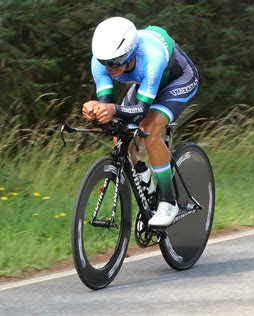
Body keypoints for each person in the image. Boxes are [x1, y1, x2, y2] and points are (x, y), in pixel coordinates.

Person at [82, 17, 199, 227]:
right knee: (119, 133)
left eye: (116, 61)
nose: (110, 67)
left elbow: (140, 111)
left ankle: (168, 201)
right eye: (105, 62)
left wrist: (112, 110)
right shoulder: (99, 61)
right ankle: (145, 178)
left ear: (130, 52)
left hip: (179, 79)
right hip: (146, 83)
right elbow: (107, 106)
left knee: (149, 130)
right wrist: (95, 111)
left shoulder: (150, 57)